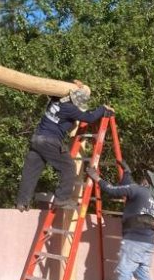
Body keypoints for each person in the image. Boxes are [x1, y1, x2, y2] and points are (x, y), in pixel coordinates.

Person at [16, 81, 114, 212]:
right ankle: (62, 199)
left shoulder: (55, 99)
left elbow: (59, 89)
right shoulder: (71, 109)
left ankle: (22, 202)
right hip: (50, 141)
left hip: (36, 140)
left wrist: (75, 86)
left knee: (31, 171)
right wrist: (103, 109)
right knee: (68, 167)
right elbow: (89, 118)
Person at [87, 161, 154, 280]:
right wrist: (127, 173)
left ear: (147, 182)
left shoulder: (138, 190)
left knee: (124, 271)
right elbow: (128, 188)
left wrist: (96, 178)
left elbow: (112, 190)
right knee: (143, 273)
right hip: (149, 240)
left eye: (145, 178)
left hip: (135, 239)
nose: (143, 179)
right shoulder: (151, 199)